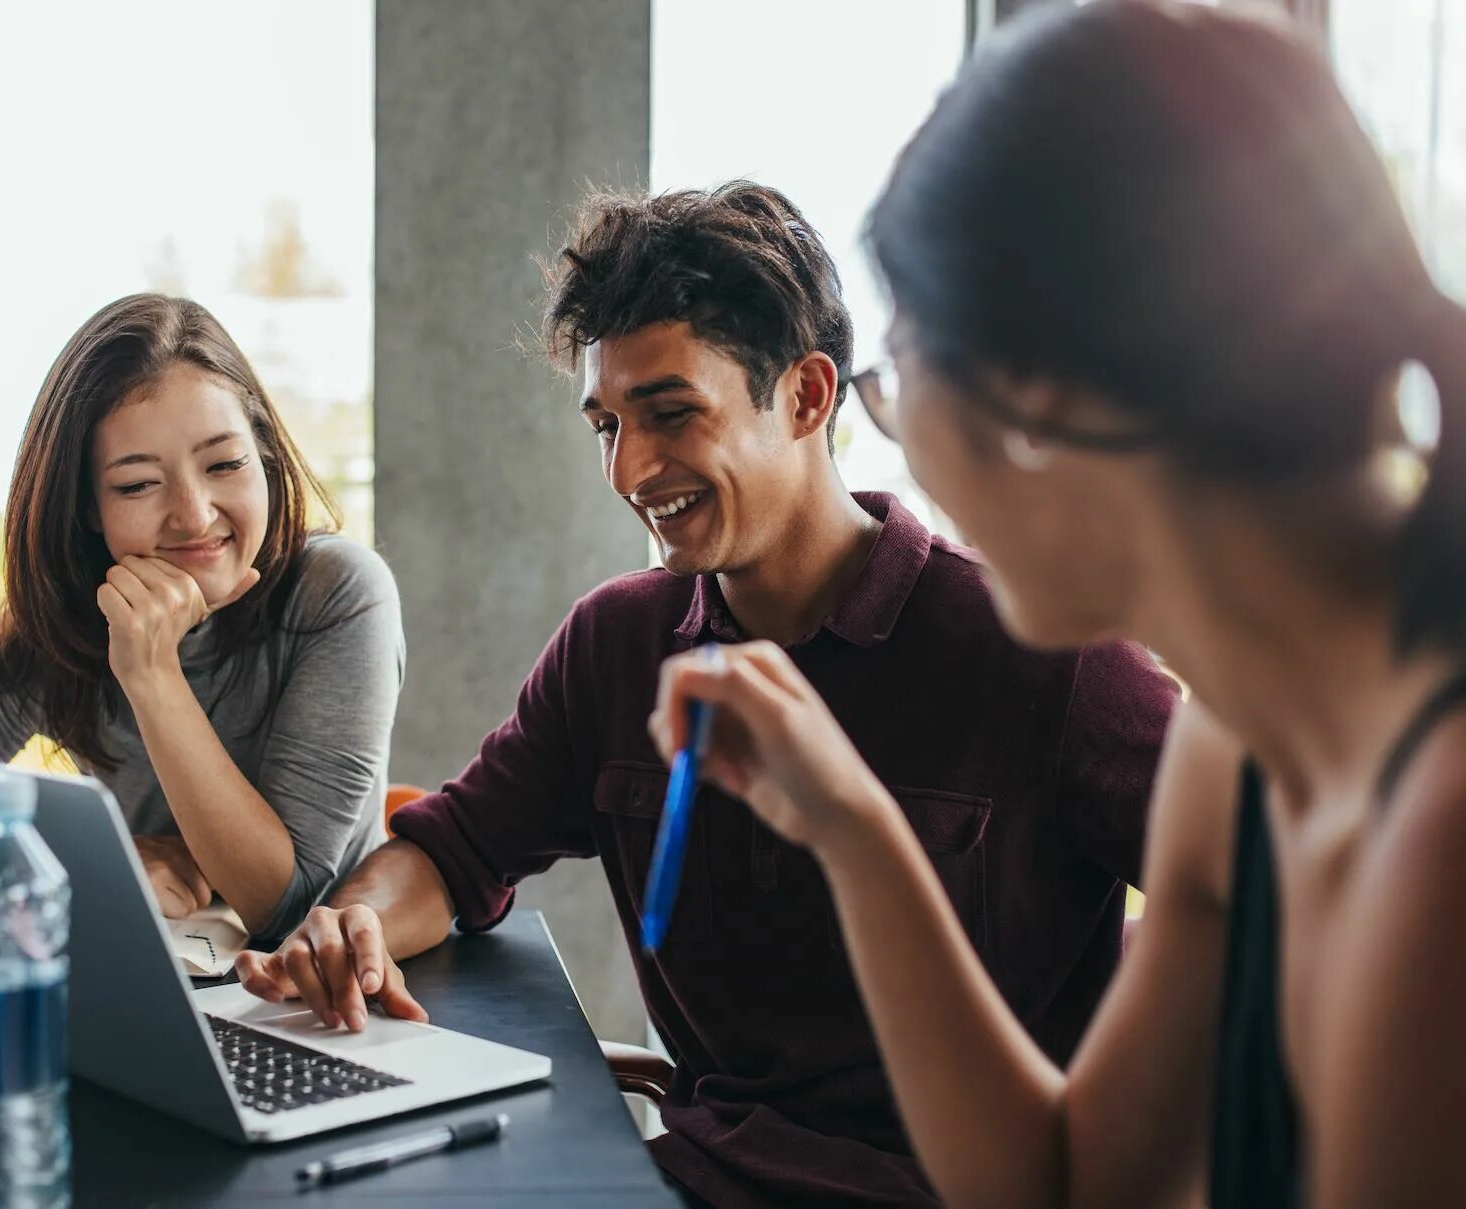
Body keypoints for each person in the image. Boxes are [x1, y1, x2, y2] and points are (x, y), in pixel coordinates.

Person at [651, 4, 1466, 1206]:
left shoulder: (1438, 825)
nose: (905, 453)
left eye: (896, 380)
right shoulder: (1237, 748)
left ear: (1038, 403)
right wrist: (854, 833)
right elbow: (1070, 1184)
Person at [237, 182, 1178, 1207]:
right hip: (687, 1181)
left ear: (809, 397)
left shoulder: (1046, 658)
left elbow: (1274, 912)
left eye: (672, 414)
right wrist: (356, 923)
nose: (631, 468)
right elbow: (453, 851)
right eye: (606, 425)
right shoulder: (617, 645)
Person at [0, 294, 403, 939]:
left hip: (325, 1000)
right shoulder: (66, 624)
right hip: (144, 977)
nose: (193, 513)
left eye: (225, 464)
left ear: (263, 459)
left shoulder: (337, 593)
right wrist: (96, 857)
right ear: (87, 509)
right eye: (136, 484)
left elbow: (284, 904)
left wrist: (151, 671)